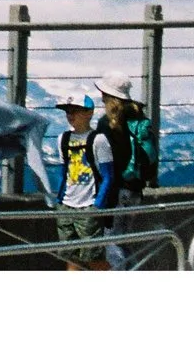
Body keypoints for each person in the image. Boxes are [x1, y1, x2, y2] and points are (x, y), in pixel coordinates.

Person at [53, 90, 116, 270]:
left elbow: (108, 176)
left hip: (88, 205)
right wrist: (59, 199)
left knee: (94, 258)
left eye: (75, 110)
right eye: (67, 111)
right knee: (71, 258)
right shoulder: (62, 139)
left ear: (89, 113)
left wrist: (98, 206)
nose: (70, 115)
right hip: (67, 204)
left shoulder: (99, 140)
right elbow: (63, 170)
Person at [94, 74, 152, 269]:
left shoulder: (107, 123)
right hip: (135, 189)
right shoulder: (138, 117)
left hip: (117, 189)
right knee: (124, 240)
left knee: (111, 242)